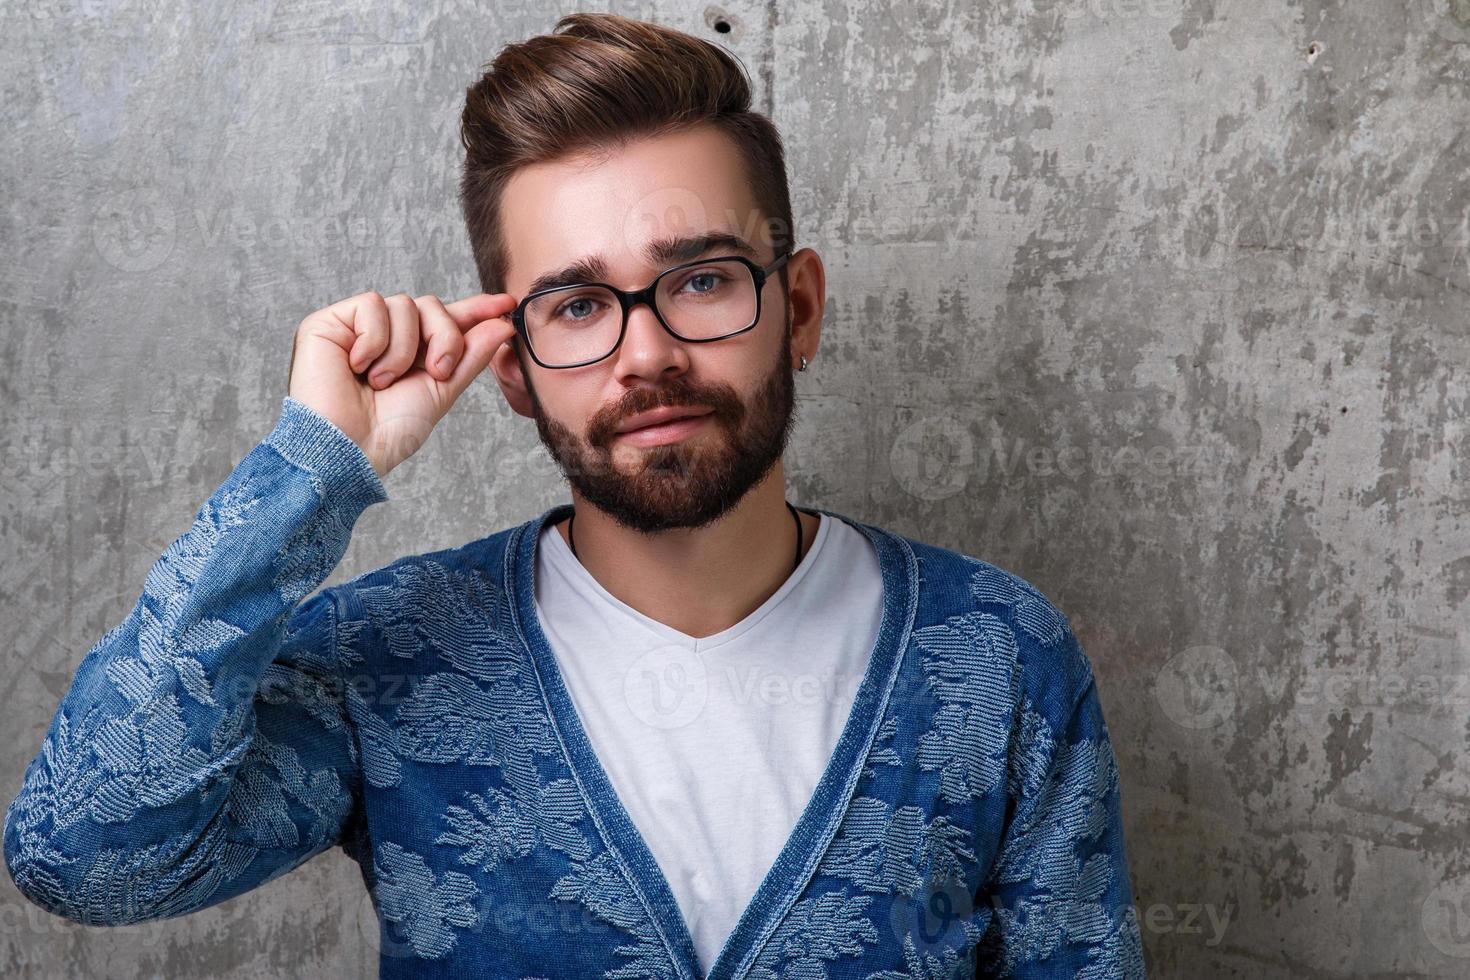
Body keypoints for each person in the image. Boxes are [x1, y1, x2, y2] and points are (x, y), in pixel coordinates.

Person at [2, 12, 1145, 979]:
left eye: (701, 280)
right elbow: (83, 855)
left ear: (798, 307)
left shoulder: (998, 656)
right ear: (510, 363)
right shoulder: (392, 658)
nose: (644, 354)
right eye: (578, 305)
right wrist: (311, 469)